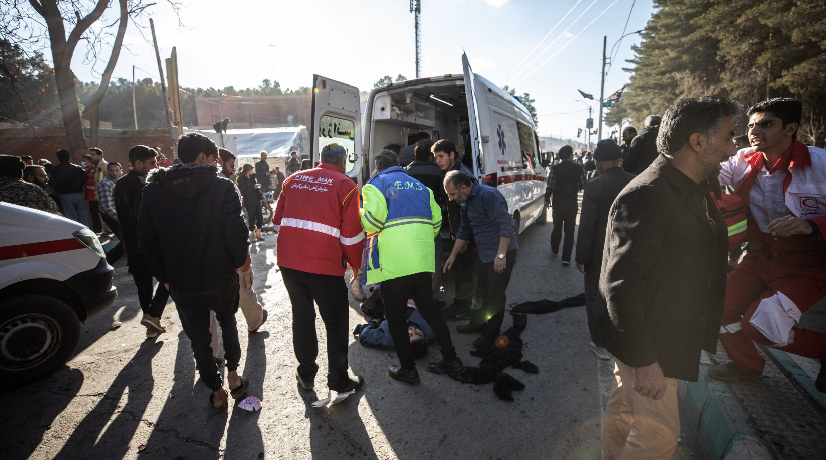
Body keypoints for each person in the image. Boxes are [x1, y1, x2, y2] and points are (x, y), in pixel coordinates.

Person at [598, 96, 739, 460]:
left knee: (625, 414)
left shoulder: (692, 185)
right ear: (697, 141)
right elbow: (621, 284)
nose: (733, 146)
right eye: (728, 136)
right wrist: (645, 363)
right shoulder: (650, 193)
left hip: (656, 335)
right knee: (658, 438)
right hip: (651, 343)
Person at [707, 98, 826, 390]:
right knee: (716, 309)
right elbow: (703, 173)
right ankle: (746, 366)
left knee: (760, 325)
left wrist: (811, 225)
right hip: (762, 255)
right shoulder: (741, 160)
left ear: (791, 128)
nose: (754, 131)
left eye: (766, 124)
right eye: (751, 125)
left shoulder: (821, 163)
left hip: (809, 264)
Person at [139, 132, 252, 412]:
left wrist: (164, 277)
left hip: (180, 280)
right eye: (214, 158)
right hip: (221, 275)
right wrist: (241, 262)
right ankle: (234, 376)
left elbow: (146, 240)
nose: (216, 164)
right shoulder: (222, 187)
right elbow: (236, 231)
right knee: (228, 322)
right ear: (202, 157)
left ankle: (216, 392)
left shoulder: (154, 189)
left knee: (199, 339)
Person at [361, 151, 462, 386]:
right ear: (400, 165)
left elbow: (372, 222)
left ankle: (408, 370)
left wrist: (360, 214)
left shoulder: (375, 184)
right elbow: (437, 222)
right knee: (430, 311)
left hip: (395, 263)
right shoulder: (419, 186)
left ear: (377, 168)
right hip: (422, 261)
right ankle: (452, 360)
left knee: (395, 318)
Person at [273, 142, 365, 394]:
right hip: (325, 266)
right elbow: (351, 236)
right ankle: (338, 380)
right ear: (343, 162)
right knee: (335, 324)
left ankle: (306, 375)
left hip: (289, 264)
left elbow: (277, 223)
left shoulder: (292, 180)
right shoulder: (346, 185)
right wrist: (355, 265)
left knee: (302, 317)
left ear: (320, 159)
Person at [574, 140, 635, 361]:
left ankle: (600, 343)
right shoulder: (635, 182)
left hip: (599, 255)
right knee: (624, 297)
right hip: (629, 252)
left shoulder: (594, 186)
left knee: (596, 298)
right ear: (620, 160)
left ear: (598, 163)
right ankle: (622, 340)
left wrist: (580, 257)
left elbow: (587, 226)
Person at [443, 170, 519, 347]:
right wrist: (452, 256)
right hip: (484, 253)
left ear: (463, 188)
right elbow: (464, 229)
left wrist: (501, 256)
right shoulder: (465, 200)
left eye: (452, 194)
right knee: (478, 290)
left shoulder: (488, 195)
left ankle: (491, 335)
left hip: (502, 253)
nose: (451, 199)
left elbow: (506, 225)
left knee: (495, 296)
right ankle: (476, 324)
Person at [114, 146, 170, 338]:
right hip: (146, 242)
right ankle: (153, 315)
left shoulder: (120, 184)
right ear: (138, 163)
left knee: (143, 286)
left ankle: (151, 325)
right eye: (152, 163)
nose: (155, 166)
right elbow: (142, 215)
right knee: (168, 277)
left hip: (130, 242)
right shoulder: (140, 184)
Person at [216, 147, 268, 333]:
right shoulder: (224, 185)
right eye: (231, 165)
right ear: (218, 161)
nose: (233, 169)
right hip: (228, 249)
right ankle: (254, 320)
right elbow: (235, 224)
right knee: (244, 286)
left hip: (212, 252)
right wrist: (244, 254)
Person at [432, 139, 477, 321]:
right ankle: (460, 306)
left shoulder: (462, 176)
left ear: (452, 155)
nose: (438, 161)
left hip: (464, 233)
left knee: (464, 270)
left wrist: (463, 237)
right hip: (458, 231)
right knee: (459, 269)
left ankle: (464, 310)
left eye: (441, 156)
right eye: (436, 157)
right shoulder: (450, 172)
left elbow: (467, 210)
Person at [406, 140, 448, 308]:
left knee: (412, 262)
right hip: (430, 224)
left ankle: (412, 299)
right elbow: (444, 197)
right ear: (430, 157)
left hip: (408, 224)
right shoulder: (438, 172)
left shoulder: (406, 171)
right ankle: (432, 299)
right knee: (434, 261)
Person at [545, 145, 584, 265]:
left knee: (557, 228)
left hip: (558, 204)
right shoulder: (578, 168)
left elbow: (550, 185)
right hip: (571, 203)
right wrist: (577, 188)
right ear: (571, 156)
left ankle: (555, 250)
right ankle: (566, 258)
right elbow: (584, 184)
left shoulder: (555, 168)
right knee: (570, 231)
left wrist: (547, 199)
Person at [354, 299, 435, 355]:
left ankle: (381, 292)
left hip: (387, 308)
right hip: (410, 300)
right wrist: (418, 302)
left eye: (410, 335)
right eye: (418, 333)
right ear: (425, 339)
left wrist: (373, 322)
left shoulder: (392, 339)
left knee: (363, 305)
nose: (413, 330)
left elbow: (365, 336)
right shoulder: (431, 331)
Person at [51, 149, 89, 226]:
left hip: (64, 195)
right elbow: (85, 178)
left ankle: (73, 235)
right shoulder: (77, 168)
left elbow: (52, 182)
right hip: (78, 194)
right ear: (69, 157)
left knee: (70, 218)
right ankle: (86, 233)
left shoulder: (55, 169)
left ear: (58, 158)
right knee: (83, 217)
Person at [97, 162, 124, 264]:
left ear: (121, 171)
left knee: (128, 241)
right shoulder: (106, 184)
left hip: (117, 214)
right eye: (111, 170)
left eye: (117, 170)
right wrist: (122, 219)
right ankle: (106, 262)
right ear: (108, 171)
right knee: (126, 241)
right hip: (111, 216)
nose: (114, 173)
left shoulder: (117, 182)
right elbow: (108, 208)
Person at [236, 164, 265, 243]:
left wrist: (261, 195)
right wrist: (253, 187)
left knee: (259, 216)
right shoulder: (242, 179)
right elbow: (243, 191)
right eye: (251, 169)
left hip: (256, 200)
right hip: (249, 201)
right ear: (247, 170)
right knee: (251, 217)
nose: (253, 171)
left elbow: (256, 189)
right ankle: (253, 235)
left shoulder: (252, 177)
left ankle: (258, 233)